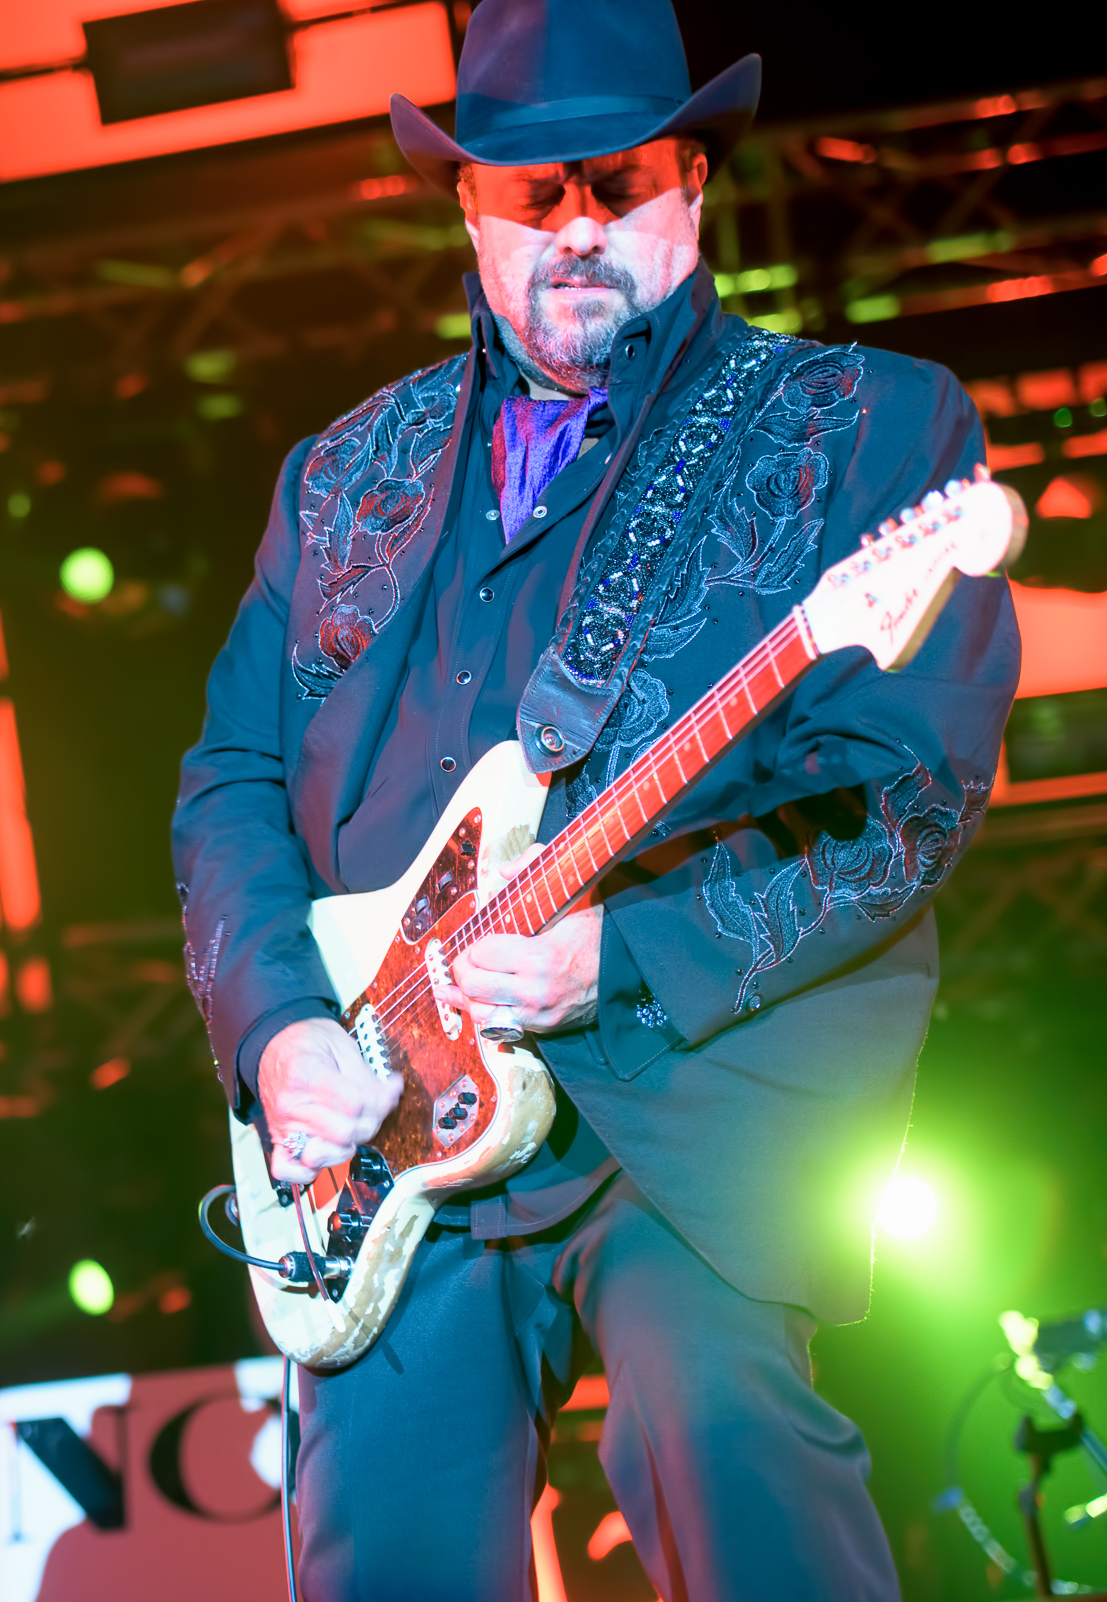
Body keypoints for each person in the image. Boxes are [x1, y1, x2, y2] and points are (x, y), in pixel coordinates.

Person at [169, 1, 1019, 1596]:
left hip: (685, 1098)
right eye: (531, 190)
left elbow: (908, 796)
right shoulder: (345, 474)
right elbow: (227, 783)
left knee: (728, 1450)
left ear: (691, 181)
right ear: (467, 208)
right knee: (385, 1552)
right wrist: (282, 1028)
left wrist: (611, 956)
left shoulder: (861, 427)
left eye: (615, 182)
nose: (575, 227)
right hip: (385, 1123)